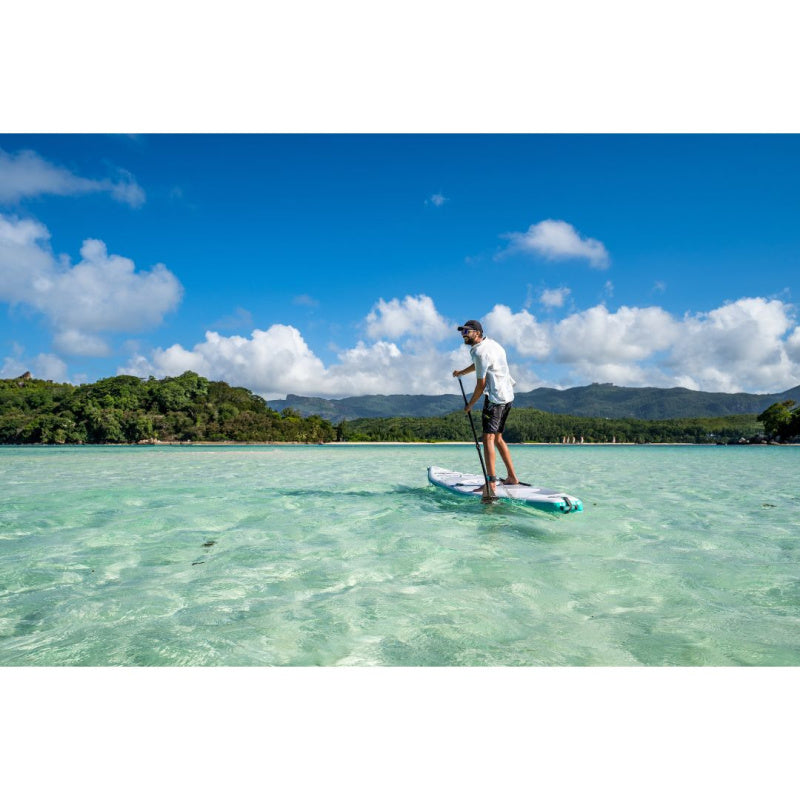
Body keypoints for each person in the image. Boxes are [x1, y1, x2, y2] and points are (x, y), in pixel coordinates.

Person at [452, 319, 521, 497]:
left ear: (477, 332)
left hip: (495, 399)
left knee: (488, 439)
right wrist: (462, 372)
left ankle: (491, 484)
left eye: (467, 331)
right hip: (507, 396)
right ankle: (512, 477)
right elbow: (481, 365)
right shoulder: (492, 345)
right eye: (462, 332)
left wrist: (470, 405)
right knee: (498, 438)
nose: (463, 335)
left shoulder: (479, 352)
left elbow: (481, 385)